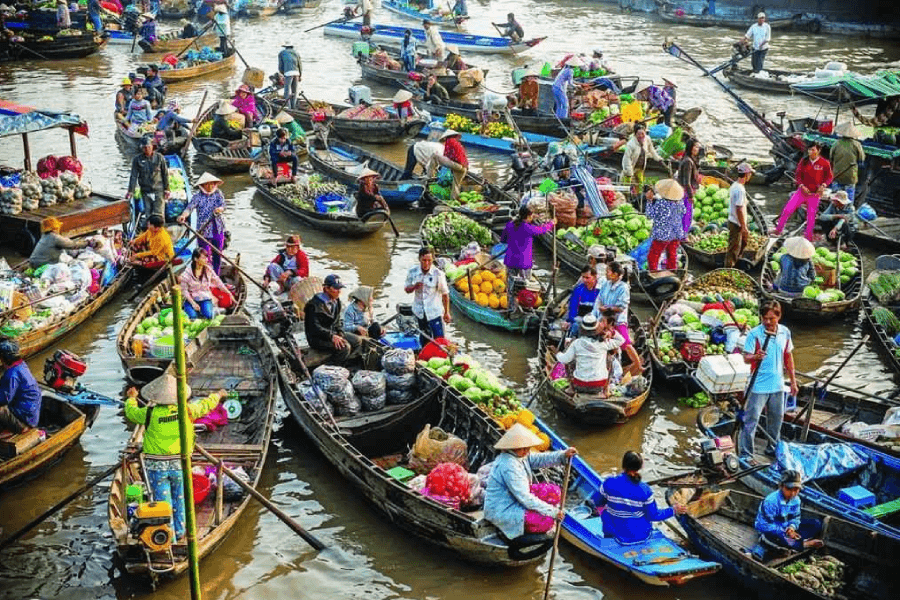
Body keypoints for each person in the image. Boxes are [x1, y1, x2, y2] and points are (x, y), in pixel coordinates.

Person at [124, 374, 226, 543]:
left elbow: (131, 413)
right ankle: (179, 531)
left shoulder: (149, 413)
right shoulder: (187, 410)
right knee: (180, 498)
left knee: (163, 503)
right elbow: (206, 405)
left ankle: (168, 537)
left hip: (156, 468)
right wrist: (218, 394)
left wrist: (132, 399)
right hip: (180, 464)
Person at [484, 423, 577, 543]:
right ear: (512, 448)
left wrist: (562, 455)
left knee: (554, 491)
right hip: (503, 508)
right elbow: (525, 498)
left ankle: (541, 512)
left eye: (527, 447)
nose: (526, 451)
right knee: (546, 521)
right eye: (523, 448)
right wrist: (552, 512)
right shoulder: (508, 465)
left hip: (515, 497)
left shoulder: (520, 456)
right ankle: (515, 531)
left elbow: (539, 459)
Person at [741, 299, 798, 462]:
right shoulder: (755, 334)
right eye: (764, 318)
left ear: (778, 317)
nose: (767, 322)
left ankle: (772, 448)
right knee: (751, 421)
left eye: (771, 319)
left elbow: (788, 356)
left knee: (776, 419)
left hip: (777, 384)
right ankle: (746, 454)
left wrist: (793, 381)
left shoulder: (785, 332)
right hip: (758, 385)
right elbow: (746, 358)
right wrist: (755, 356)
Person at [594, 451, 687, 544]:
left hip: (616, 536)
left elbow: (597, 501)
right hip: (642, 535)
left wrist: (604, 515)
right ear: (640, 467)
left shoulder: (609, 483)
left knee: (603, 510)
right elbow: (653, 516)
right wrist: (673, 510)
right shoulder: (645, 490)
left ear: (623, 464)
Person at [752, 470, 823, 559]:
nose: (793, 493)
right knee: (773, 537)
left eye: (796, 490)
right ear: (781, 486)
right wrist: (785, 532)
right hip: (772, 531)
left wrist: (792, 528)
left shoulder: (796, 500)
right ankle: (804, 544)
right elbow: (762, 525)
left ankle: (791, 544)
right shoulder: (771, 501)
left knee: (816, 524)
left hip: (786, 530)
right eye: (789, 489)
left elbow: (796, 518)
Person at [773, 142, 833, 242]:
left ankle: (808, 237)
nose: (811, 152)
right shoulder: (804, 161)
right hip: (801, 192)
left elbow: (829, 177)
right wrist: (801, 185)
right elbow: (798, 175)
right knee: (787, 210)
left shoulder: (824, 163)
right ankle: (778, 230)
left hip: (815, 194)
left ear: (818, 151)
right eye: (809, 150)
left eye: (813, 150)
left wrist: (823, 185)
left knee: (811, 216)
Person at [592, 261, 642, 377]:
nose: (606, 273)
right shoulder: (606, 283)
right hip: (603, 317)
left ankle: (638, 365)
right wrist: (598, 311)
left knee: (625, 342)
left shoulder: (623, 287)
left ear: (615, 274)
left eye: (608, 271)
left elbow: (621, 306)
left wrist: (608, 308)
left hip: (617, 319)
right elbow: (599, 299)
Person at [556, 313, 624, 394]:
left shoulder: (577, 343)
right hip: (600, 385)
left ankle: (572, 388)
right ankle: (606, 390)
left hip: (579, 385)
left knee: (570, 361)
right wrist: (612, 333)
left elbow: (564, 360)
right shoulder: (603, 343)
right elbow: (621, 340)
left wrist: (558, 354)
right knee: (610, 359)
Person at [501, 205, 554, 308]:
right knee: (525, 286)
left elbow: (503, 240)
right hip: (523, 263)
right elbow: (541, 230)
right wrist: (551, 223)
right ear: (528, 216)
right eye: (531, 215)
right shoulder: (527, 228)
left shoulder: (510, 225)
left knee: (511, 286)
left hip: (510, 260)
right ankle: (524, 305)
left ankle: (511, 306)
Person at [304, 274, 360, 365]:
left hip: (332, 332)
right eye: (336, 289)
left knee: (357, 341)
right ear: (326, 288)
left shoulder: (336, 301)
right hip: (318, 338)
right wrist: (331, 336)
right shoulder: (313, 306)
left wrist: (340, 333)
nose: (339, 292)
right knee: (345, 347)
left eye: (339, 289)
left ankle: (344, 361)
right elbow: (314, 328)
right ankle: (331, 367)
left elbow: (337, 321)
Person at [178, 172, 227, 273]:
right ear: (203, 185)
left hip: (217, 227)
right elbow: (189, 208)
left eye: (212, 183)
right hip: (203, 229)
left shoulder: (218, 194)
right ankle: (206, 274)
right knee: (203, 255)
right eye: (207, 184)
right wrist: (183, 216)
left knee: (218, 253)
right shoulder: (197, 196)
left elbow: (223, 206)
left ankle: (216, 275)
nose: (210, 186)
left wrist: (219, 210)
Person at [404, 246, 451, 343]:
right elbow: (407, 289)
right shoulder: (413, 272)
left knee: (439, 341)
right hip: (419, 312)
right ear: (419, 259)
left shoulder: (438, 274)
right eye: (424, 260)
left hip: (434, 313)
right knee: (424, 339)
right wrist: (414, 287)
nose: (426, 263)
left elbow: (445, 294)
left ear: (433, 259)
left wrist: (447, 312)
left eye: (429, 260)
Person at [0, 339, 42, 434]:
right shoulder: (21, 365)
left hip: (25, 419)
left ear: (3, 358)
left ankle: (20, 427)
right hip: (30, 414)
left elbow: (4, 399)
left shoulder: (12, 374)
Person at [180, 247, 234, 319]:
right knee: (193, 317)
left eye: (206, 257)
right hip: (191, 299)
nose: (206, 260)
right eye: (203, 258)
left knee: (208, 315)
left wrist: (228, 293)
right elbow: (185, 291)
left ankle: (212, 310)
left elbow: (218, 282)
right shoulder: (187, 273)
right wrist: (193, 303)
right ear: (196, 259)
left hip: (205, 298)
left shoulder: (208, 269)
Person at [645, 179, 686, 271]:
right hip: (676, 233)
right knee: (672, 254)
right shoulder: (680, 202)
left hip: (663, 234)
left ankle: (653, 273)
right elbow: (684, 211)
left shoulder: (661, 203)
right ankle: (672, 271)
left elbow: (649, 215)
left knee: (653, 256)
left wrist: (649, 201)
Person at [127, 137, 169, 221]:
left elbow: (165, 174)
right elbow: (133, 176)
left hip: (158, 190)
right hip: (145, 190)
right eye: (144, 148)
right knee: (148, 214)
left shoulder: (159, 158)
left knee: (159, 214)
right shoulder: (137, 160)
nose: (147, 149)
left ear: (152, 147)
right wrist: (130, 191)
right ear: (142, 148)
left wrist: (167, 189)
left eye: (148, 147)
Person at [726, 162, 755, 268]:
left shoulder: (735, 185)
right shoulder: (740, 189)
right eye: (750, 174)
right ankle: (728, 269)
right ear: (747, 175)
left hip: (734, 220)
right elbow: (739, 209)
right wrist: (743, 226)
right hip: (736, 222)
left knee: (741, 244)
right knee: (733, 249)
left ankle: (735, 264)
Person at [829, 122, 865, 204]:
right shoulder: (857, 144)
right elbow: (861, 159)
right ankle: (848, 212)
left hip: (838, 174)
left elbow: (831, 157)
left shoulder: (836, 143)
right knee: (849, 199)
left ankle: (834, 211)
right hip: (851, 177)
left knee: (836, 198)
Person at [621, 123, 663, 188]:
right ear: (635, 134)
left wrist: (657, 158)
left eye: (642, 134)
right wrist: (629, 171)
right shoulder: (631, 144)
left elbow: (652, 150)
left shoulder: (647, 139)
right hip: (631, 168)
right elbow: (627, 158)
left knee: (640, 185)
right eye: (638, 134)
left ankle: (638, 195)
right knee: (627, 187)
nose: (641, 136)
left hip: (640, 168)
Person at [676, 138, 702, 236]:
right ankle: (683, 235)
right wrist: (691, 195)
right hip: (686, 191)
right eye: (695, 147)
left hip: (686, 190)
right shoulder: (688, 161)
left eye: (698, 147)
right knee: (687, 215)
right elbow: (686, 181)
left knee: (685, 214)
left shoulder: (689, 159)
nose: (697, 149)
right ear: (690, 147)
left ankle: (682, 234)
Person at [441, 129, 468, 200]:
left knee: (435, 156)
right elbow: (463, 158)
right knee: (456, 185)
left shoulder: (450, 141)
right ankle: (454, 200)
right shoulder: (458, 144)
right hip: (464, 168)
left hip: (458, 165)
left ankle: (429, 175)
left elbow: (446, 155)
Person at [277, 42, 302, 109]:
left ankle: (288, 106)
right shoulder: (296, 53)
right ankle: (293, 106)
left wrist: (282, 74)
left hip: (288, 73)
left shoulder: (281, 53)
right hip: (297, 73)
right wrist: (300, 75)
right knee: (294, 91)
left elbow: (280, 66)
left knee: (287, 90)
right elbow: (300, 65)